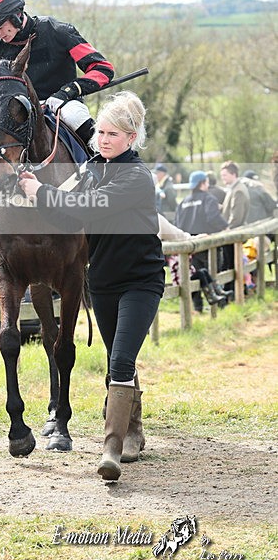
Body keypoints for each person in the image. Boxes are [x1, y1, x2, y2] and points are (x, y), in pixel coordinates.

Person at [19, 91, 165, 482]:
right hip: (102, 283)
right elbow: (63, 210)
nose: (103, 140)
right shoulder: (92, 169)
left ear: (131, 139)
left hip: (140, 281)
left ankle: (112, 448)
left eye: (113, 134)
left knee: (119, 361)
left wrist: (40, 194)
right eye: (100, 132)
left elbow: (83, 209)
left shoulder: (135, 177)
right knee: (120, 355)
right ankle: (133, 428)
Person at [0, 0, 115, 148]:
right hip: (19, 114)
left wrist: (67, 92)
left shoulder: (57, 31)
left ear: (16, 16)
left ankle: (104, 163)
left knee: (74, 116)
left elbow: (102, 68)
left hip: (63, 105)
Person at [174, 170, 230, 312]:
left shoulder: (183, 202)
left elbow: (177, 224)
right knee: (213, 273)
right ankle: (220, 306)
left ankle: (198, 307)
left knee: (195, 275)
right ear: (203, 183)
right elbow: (213, 217)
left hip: (190, 246)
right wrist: (225, 227)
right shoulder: (208, 199)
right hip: (208, 243)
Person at [158, 214, 232, 307]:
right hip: (182, 280)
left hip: (187, 277)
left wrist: (197, 238)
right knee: (201, 274)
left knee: (202, 272)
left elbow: (180, 236)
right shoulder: (174, 257)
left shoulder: (156, 218)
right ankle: (212, 294)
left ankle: (216, 291)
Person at [220, 160, 250, 293]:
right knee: (231, 264)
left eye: (225, 175)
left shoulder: (238, 190)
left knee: (230, 264)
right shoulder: (235, 188)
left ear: (233, 174)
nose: (223, 177)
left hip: (232, 234)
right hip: (232, 233)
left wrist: (227, 229)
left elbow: (236, 216)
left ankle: (232, 292)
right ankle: (235, 291)